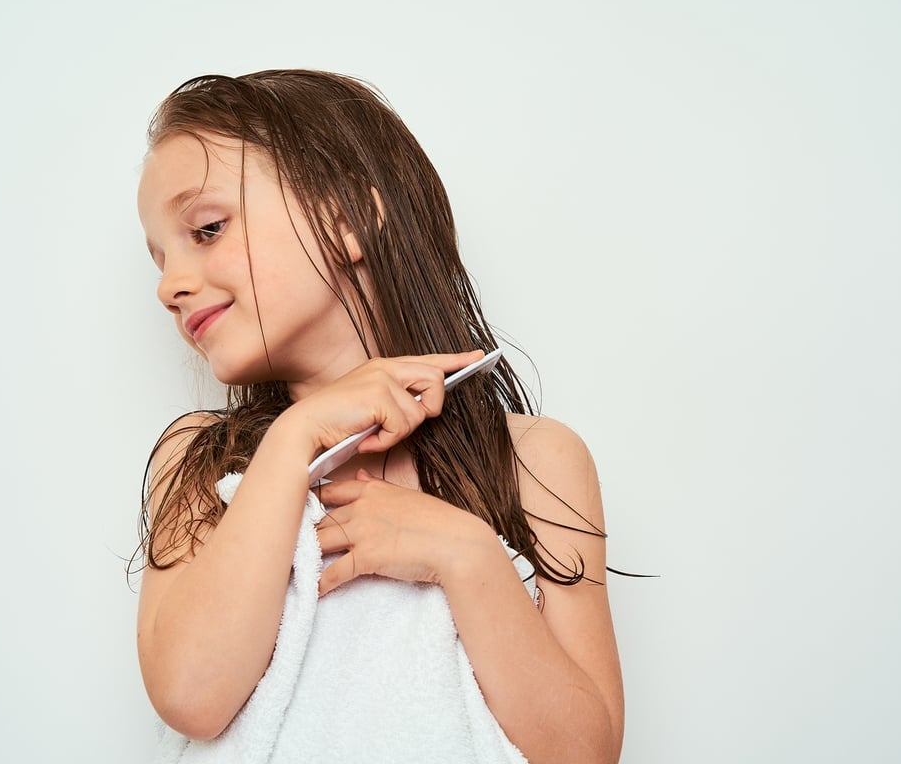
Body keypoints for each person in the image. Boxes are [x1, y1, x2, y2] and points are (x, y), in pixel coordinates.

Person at [133, 69, 624, 764]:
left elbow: (585, 754)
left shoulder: (536, 462)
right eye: (158, 258)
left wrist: (466, 555)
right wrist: (292, 440)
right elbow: (192, 695)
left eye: (206, 229)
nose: (168, 285)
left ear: (344, 222)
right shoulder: (203, 466)